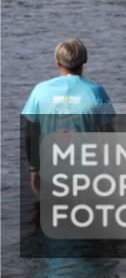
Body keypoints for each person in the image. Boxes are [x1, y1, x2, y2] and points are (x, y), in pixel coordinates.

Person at [21, 38, 115, 194]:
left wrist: (34, 170)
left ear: (57, 62)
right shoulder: (97, 92)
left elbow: (31, 134)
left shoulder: (40, 91)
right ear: (84, 60)